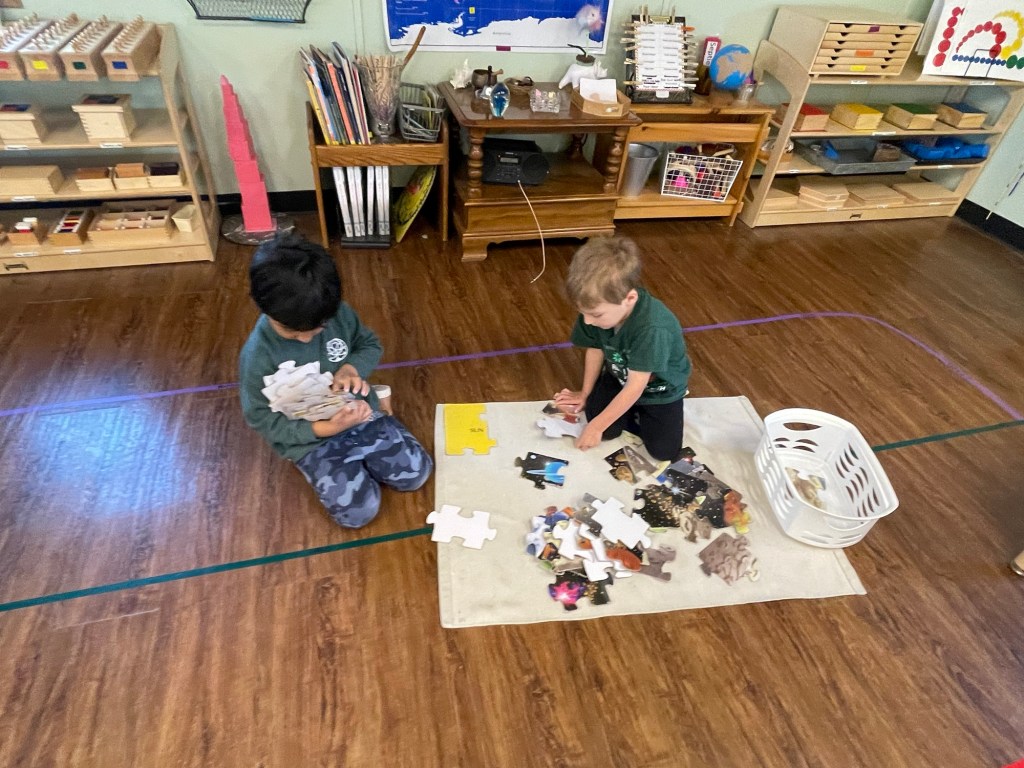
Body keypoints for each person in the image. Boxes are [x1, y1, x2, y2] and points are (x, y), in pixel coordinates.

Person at [239, 233, 432, 528]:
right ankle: (333, 454)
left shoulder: (336, 313)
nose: (306, 338)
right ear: (264, 308)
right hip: (312, 440)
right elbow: (262, 419)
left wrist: (351, 369)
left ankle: (383, 413)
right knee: (357, 515)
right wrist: (323, 429)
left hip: (358, 413)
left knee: (417, 475)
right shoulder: (257, 357)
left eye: (318, 328)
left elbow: (369, 344)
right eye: (292, 332)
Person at [554, 235, 691, 462]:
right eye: (583, 313)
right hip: (619, 377)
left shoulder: (652, 328)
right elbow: (595, 349)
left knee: (663, 452)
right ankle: (625, 409)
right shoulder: (593, 310)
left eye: (596, 314)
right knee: (607, 430)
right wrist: (585, 392)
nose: (587, 321)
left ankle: (635, 411)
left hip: (660, 390)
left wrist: (596, 427)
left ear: (630, 298)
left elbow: (636, 386)